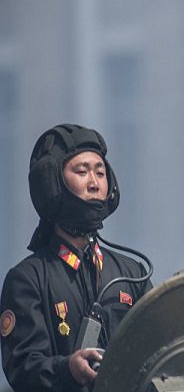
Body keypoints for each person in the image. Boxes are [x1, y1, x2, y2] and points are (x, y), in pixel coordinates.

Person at [0, 124, 152, 391]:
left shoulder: (133, 274)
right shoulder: (27, 280)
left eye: (100, 173)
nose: (94, 183)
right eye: (82, 172)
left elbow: (160, 350)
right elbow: (23, 368)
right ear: (52, 185)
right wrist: (67, 369)